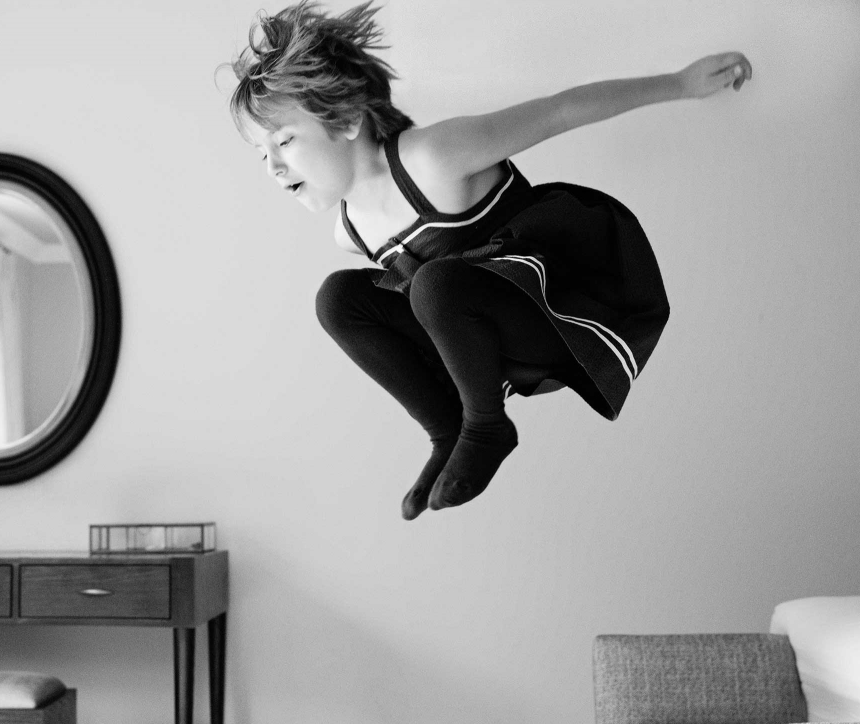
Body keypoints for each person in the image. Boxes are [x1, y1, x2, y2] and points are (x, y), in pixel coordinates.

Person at [226, 1, 751, 518]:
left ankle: (486, 427)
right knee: (339, 298)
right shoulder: (350, 229)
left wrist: (680, 84)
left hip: (551, 317)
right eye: (260, 152)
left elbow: (559, 110)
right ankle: (448, 428)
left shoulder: (432, 157)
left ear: (345, 121)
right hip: (479, 346)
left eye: (285, 140)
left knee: (435, 282)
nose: (272, 166)